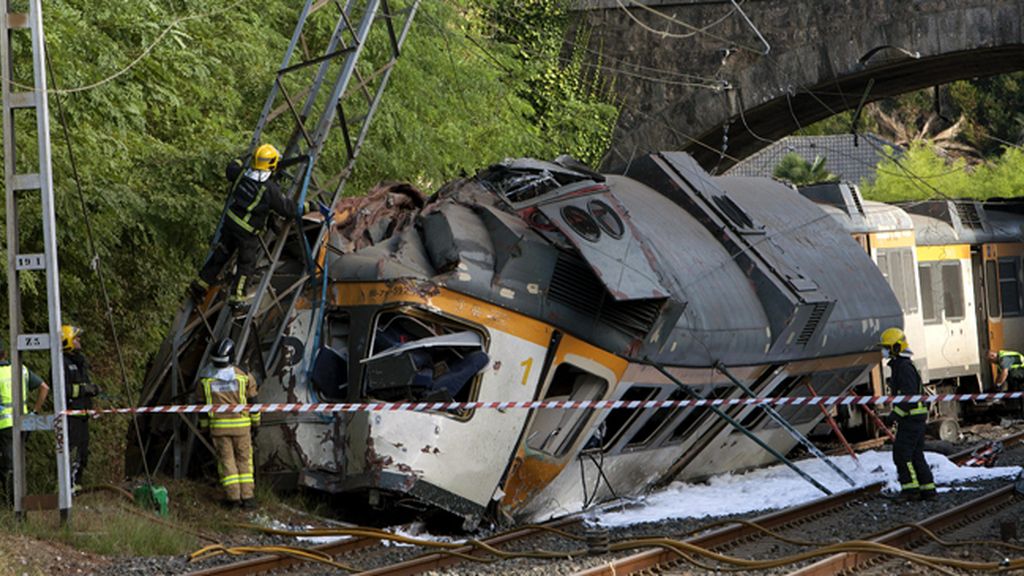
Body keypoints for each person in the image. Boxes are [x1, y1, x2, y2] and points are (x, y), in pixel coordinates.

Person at [190, 144, 319, 308]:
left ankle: (200, 284)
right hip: (246, 232)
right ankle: (237, 299)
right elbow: (288, 210)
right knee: (246, 265)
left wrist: (241, 158)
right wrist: (309, 207)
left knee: (221, 253)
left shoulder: (242, 174)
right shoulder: (269, 189)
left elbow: (231, 168)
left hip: (230, 224)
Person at [198, 338, 259, 509]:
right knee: (245, 460)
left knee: (226, 462)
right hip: (242, 426)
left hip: (218, 428)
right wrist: (256, 424)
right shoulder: (244, 376)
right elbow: (254, 402)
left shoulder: (205, 379)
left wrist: (204, 426)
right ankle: (248, 498)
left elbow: (201, 406)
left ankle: (233, 499)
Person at [879, 327, 936, 502]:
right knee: (916, 454)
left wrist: (893, 416)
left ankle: (911, 490)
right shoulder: (902, 366)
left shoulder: (903, 368)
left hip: (911, 418)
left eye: (887, 347)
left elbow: (908, 397)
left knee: (902, 454)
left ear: (896, 347)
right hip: (914, 418)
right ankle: (928, 490)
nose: (884, 351)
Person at [0, 340, 49, 502]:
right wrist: (35, 412)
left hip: (4, 427)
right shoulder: (21, 370)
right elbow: (44, 387)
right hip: (23, 423)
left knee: (8, 466)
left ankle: (11, 504)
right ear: (5, 354)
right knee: (16, 463)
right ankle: (15, 501)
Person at [63, 324, 100, 491]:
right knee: (72, 452)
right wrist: (85, 390)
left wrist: (93, 389)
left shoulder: (80, 361)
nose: (79, 341)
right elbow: (63, 389)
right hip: (71, 415)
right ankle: (67, 486)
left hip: (83, 413)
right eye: (76, 338)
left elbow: (84, 384)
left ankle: (77, 485)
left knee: (83, 453)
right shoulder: (62, 363)